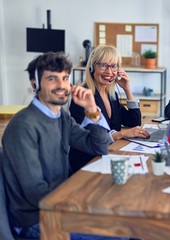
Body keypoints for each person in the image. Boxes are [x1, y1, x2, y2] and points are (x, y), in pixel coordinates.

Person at [1, 52, 113, 239]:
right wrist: (83, 203)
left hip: (58, 207)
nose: (62, 85)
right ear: (35, 83)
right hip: (36, 221)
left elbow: (98, 147)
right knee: (119, 234)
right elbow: (35, 192)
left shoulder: (61, 117)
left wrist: (92, 110)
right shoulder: (23, 126)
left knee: (123, 225)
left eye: (65, 78)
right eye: (52, 79)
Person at [69, 45, 149, 172]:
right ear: (92, 67)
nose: (110, 72)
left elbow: (134, 122)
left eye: (114, 66)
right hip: (87, 162)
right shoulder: (83, 96)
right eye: (103, 65)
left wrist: (127, 89)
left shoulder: (111, 94)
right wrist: (120, 134)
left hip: (109, 155)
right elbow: (87, 138)